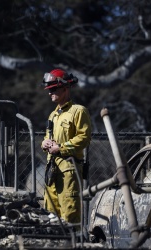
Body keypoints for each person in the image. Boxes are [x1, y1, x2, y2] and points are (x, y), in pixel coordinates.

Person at [40, 68, 91, 226]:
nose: (50, 93)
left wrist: (61, 148)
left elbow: (84, 137)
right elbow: (48, 137)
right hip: (52, 171)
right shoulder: (53, 115)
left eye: (53, 89)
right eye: (48, 90)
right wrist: (45, 143)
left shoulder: (78, 111)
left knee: (69, 214)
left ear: (65, 87)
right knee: (51, 214)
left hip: (69, 170)